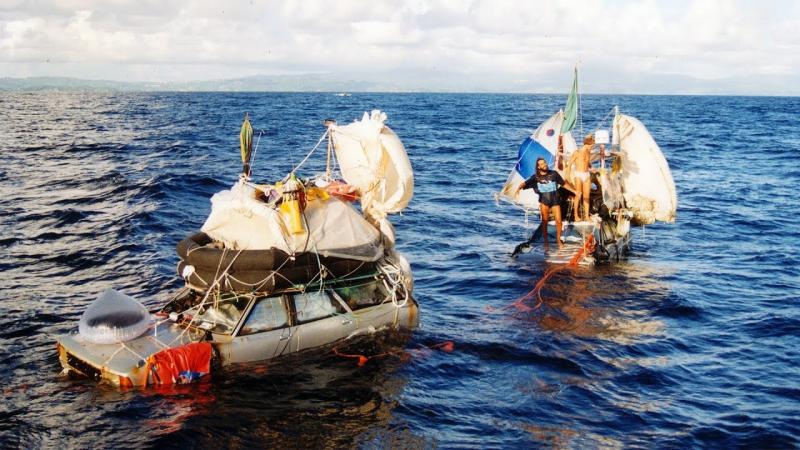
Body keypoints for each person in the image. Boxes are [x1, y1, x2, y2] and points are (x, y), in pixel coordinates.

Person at [514, 157, 576, 249]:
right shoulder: (536, 177)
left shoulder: (554, 174)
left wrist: (574, 191)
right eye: (542, 164)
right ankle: (546, 241)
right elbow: (525, 183)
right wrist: (518, 188)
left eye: (545, 162)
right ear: (538, 167)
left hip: (555, 201)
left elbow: (563, 184)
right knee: (545, 222)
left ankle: (559, 240)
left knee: (559, 221)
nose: (545, 164)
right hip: (544, 202)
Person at [566, 134, 595, 222]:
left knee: (587, 197)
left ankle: (586, 216)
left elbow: (587, 163)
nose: (592, 148)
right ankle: (575, 215)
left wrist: (591, 168)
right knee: (578, 195)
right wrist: (567, 176)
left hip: (586, 175)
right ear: (588, 144)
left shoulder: (588, 152)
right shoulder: (577, 152)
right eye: (592, 146)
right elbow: (570, 163)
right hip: (578, 175)